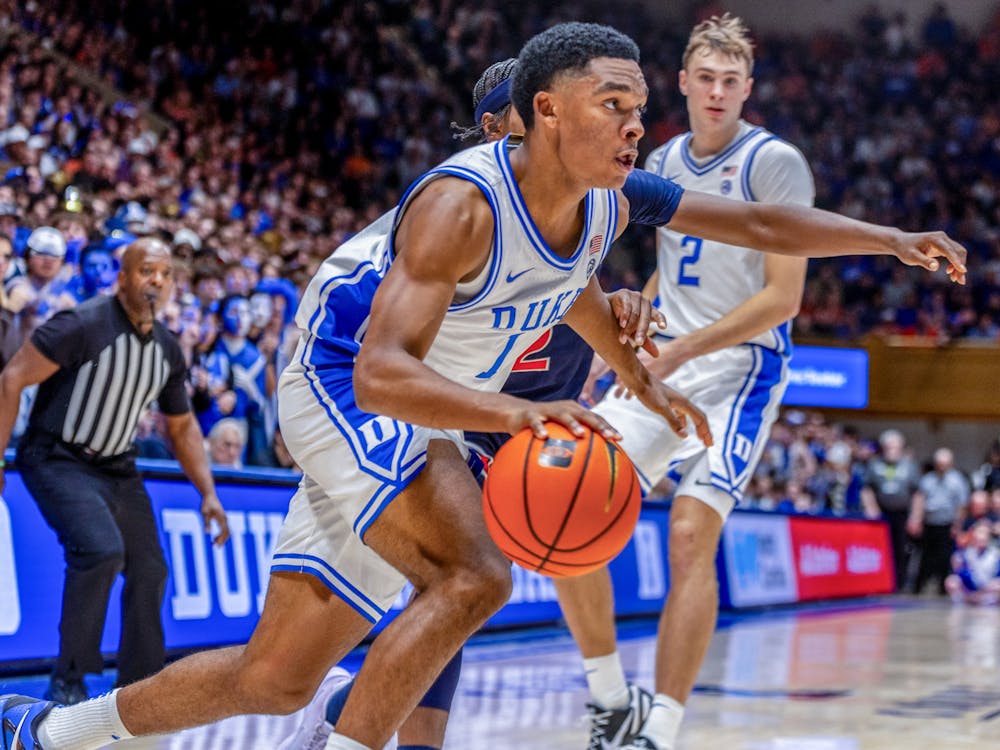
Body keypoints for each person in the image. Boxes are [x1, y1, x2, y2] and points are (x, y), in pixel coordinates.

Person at [0, 21, 967, 750]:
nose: (637, 124)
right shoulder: (461, 205)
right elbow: (380, 371)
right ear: (547, 110)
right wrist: (520, 409)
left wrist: (887, 241)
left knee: (278, 675)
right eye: (614, 103)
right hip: (345, 381)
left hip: (420, 408)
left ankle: (45, 734)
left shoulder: (601, 204)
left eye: (640, 109)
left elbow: (737, 233)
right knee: (479, 572)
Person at [549, 15, 944, 750]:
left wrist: (680, 349)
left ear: (748, 89)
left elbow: (781, 300)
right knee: (571, 507)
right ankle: (610, 698)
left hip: (743, 368)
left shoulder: (775, 162)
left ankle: (660, 725)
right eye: (707, 78)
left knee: (692, 534)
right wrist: (627, 339)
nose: (719, 91)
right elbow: (631, 256)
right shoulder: (658, 158)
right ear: (684, 83)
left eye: (732, 81)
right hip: (669, 356)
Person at [0, 237, 230, 708]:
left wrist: (208, 493)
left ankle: (139, 686)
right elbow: (12, 378)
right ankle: (68, 678)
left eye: (165, 274)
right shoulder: (80, 324)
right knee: (101, 551)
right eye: (147, 271)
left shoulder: (167, 350)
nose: (157, 282)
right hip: (56, 455)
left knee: (150, 567)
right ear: (122, 277)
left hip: (116, 467)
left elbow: (182, 427)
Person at [861, 429, 922, 591]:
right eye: (888, 447)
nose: (892, 451)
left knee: (901, 549)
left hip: (902, 514)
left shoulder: (909, 466)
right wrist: (871, 508)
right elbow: (867, 489)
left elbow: (917, 493)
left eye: (895, 447)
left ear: (901, 448)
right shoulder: (875, 465)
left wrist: (915, 517)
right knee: (879, 550)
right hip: (881, 515)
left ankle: (898, 584)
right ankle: (878, 583)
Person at [908, 447, 970, 595]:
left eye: (945, 463)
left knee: (944, 557)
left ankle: (943, 589)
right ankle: (918, 587)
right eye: (939, 463)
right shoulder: (927, 480)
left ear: (951, 463)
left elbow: (962, 505)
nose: (942, 466)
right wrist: (915, 519)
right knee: (925, 556)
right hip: (929, 523)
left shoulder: (957, 481)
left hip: (947, 524)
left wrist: (957, 525)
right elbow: (919, 499)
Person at [944, 520, 1000, 605]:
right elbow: (960, 572)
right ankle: (964, 601)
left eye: (985, 534)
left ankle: (987, 600)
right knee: (951, 581)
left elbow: (998, 574)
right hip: (970, 588)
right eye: (979, 533)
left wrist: (987, 586)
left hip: (988, 588)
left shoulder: (995, 554)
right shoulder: (965, 553)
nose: (982, 537)